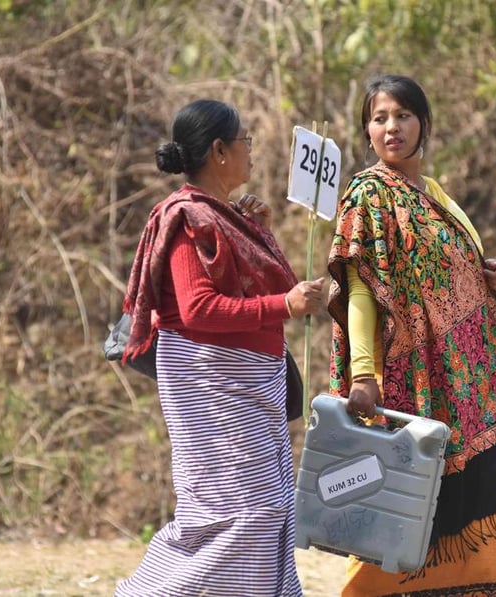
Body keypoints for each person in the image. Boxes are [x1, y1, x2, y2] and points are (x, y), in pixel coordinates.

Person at [326, 74, 496, 596]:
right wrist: (363, 374)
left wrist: (480, 269)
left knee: (491, 483)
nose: (391, 127)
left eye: (402, 115)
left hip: (471, 384)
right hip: (410, 379)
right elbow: (361, 289)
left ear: (424, 123)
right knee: (401, 500)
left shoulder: (434, 194)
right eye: (379, 118)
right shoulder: (368, 195)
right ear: (367, 131)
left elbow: (443, 264)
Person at [114, 99, 324, 597]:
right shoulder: (190, 219)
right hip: (214, 387)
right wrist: (286, 307)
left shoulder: (224, 216)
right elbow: (199, 310)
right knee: (233, 514)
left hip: (251, 387)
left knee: (270, 508)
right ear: (219, 151)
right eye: (245, 141)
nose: (251, 151)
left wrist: (262, 232)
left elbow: (256, 289)